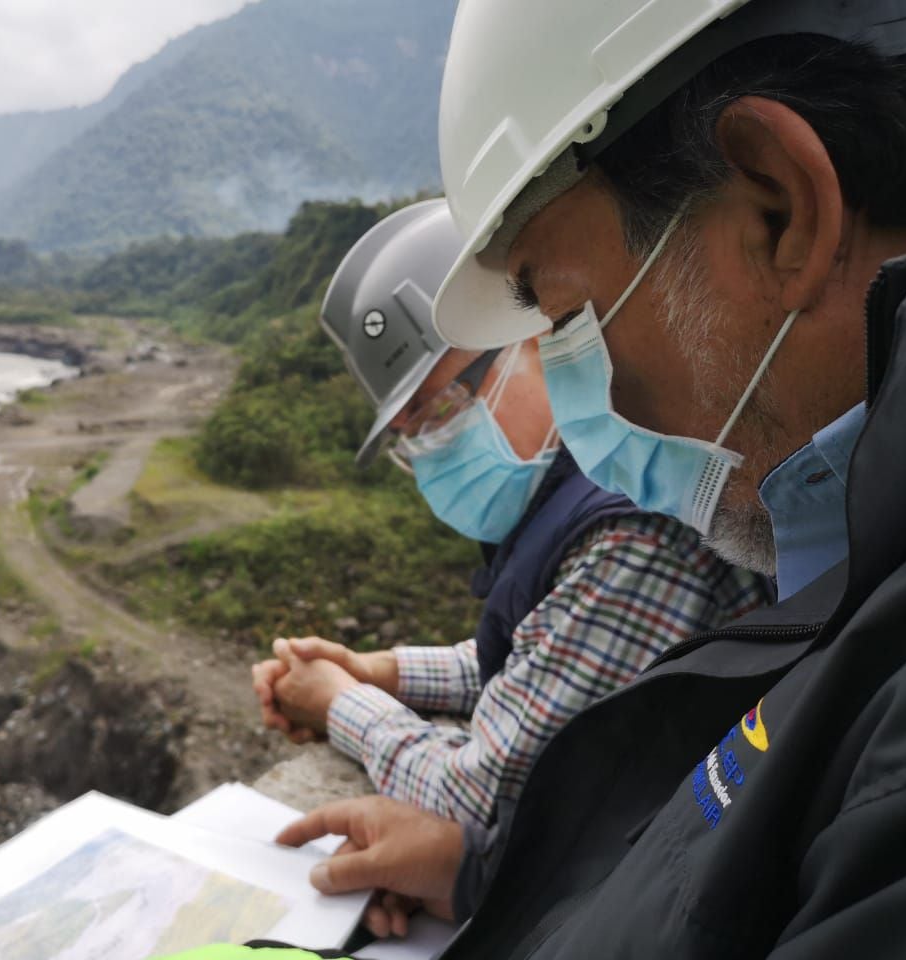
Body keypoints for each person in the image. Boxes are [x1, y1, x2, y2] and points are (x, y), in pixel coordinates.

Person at [162, 0, 906, 956]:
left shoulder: (675, 512)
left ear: (779, 205)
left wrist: (347, 705)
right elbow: (549, 668)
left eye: (564, 315)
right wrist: (466, 858)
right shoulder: (844, 568)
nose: (575, 380)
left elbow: (503, 778)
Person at [251, 199, 772, 832]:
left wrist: (339, 702)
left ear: (541, 341)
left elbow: (478, 802)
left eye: (442, 408)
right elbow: (540, 659)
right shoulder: (573, 497)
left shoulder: (636, 529)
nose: (432, 452)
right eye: (412, 438)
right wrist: (379, 671)